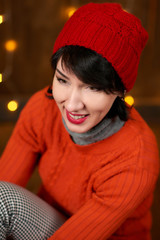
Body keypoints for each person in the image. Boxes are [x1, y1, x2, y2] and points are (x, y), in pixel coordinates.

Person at [0, 2, 159, 240]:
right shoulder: (43, 108)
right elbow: (5, 182)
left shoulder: (135, 157)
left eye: (93, 87)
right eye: (63, 80)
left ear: (119, 90)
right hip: (51, 218)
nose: (72, 104)